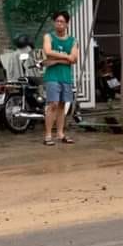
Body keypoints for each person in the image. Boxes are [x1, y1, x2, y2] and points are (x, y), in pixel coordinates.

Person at [42, 11, 79, 146]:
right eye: (57, 21)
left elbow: (74, 59)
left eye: (62, 21)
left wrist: (56, 60)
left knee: (63, 105)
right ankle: (47, 135)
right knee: (53, 104)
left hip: (66, 76)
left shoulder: (73, 40)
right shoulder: (49, 37)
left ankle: (60, 133)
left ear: (67, 24)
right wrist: (65, 57)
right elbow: (47, 52)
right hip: (52, 76)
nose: (59, 24)